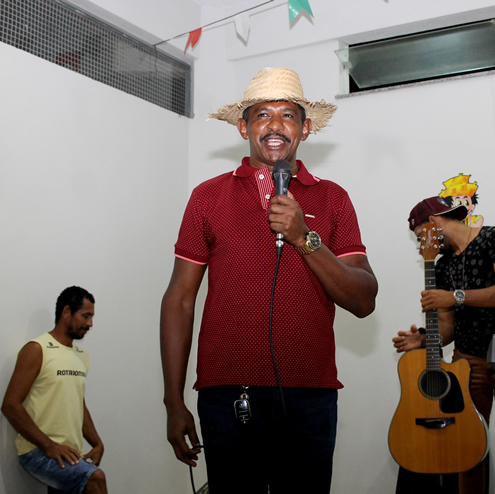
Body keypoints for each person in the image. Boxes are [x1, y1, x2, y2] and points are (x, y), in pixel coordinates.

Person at [160, 67, 378, 494]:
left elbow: (364, 299)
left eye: (288, 115)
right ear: (244, 127)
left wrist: (304, 237)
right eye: (262, 114)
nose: (275, 125)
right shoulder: (207, 196)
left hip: (310, 396)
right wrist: (172, 400)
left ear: (305, 129)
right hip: (227, 395)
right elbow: (180, 299)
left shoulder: (333, 198)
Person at [392, 196, 495, 494]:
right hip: (467, 364)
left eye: (420, 236)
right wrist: (424, 340)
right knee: (468, 451)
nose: (421, 245)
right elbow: (446, 328)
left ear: (433, 223)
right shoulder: (442, 266)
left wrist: (455, 296)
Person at [1, 286, 107, 494]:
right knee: (95, 478)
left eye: (91, 317)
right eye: (86, 316)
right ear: (66, 311)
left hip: (69, 453)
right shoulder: (37, 349)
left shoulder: (81, 355)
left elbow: (78, 404)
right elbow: (10, 405)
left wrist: (97, 443)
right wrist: (49, 445)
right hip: (37, 451)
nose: (90, 324)